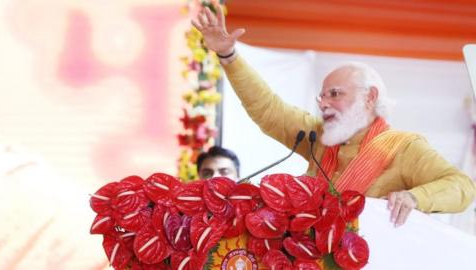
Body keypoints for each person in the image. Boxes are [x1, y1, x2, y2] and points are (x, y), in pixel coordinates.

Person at [191, 5, 476, 227]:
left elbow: (463, 187)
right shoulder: (316, 137)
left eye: (335, 94)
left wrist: (415, 197)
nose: (322, 102)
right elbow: (268, 109)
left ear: (370, 97)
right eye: (322, 95)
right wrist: (229, 55)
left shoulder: (403, 147)